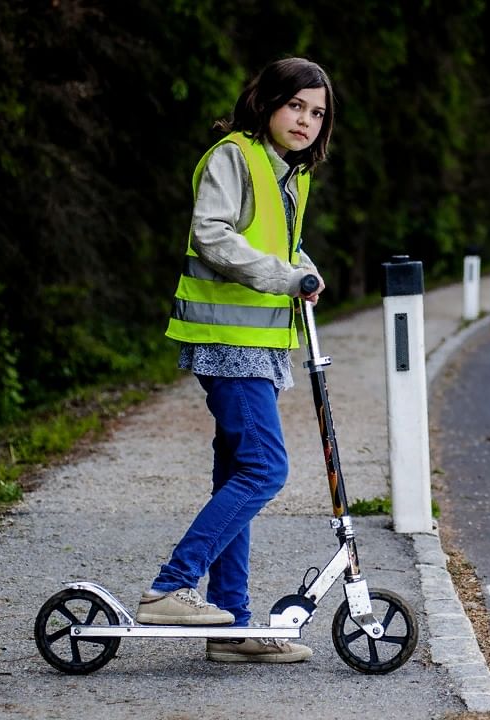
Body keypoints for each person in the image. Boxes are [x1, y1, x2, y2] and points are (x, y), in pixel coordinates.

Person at [137, 57, 334, 664]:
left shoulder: (290, 175)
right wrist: (285, 275)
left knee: (237, 474)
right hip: (227, 341)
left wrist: (305, 268)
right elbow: (213, 234)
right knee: (265, 470)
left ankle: (231, 625)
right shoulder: (234, 155)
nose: (305, 120)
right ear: (269, 102)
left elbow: (279, 243)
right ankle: (171, 587)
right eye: (296, 105)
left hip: (260, 345)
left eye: (317, 113)